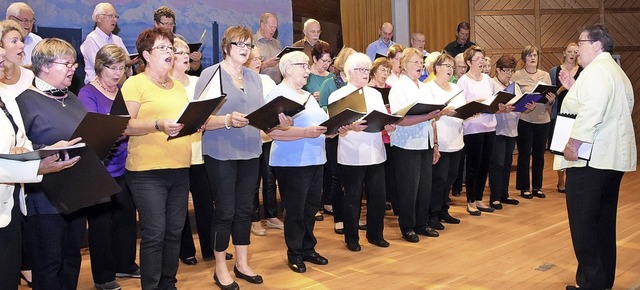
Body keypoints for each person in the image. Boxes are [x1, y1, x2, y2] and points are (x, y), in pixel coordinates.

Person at [194, 26, 290, 289]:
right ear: (226, 47)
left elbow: (261, 118)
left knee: (245, 210)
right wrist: (226, 120)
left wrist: (280, 121)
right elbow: (199, 120)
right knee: (224, 210)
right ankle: (220, 267)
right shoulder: (210, 74)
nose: (244, 49)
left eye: (248, 45)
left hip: (250, 150)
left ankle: (242, 263)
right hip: (220, 152)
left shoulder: (255, 77)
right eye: (239, 44)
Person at [555, 24, 635, 290]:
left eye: (581, 42)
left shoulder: (597, 71)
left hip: (590, 159)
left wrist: (574, 143)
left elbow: (593, 112)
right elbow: (609, 106)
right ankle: (600, 281)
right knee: (602, 222)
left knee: (583, 223)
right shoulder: (613, 71)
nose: (577, 49)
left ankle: (591, 283)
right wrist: (574, 87)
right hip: (609, 159)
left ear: (597, 44)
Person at [0, 33, 80, 290]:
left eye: (74, 64)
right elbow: (19, 148)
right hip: (43, 195)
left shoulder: (72, 98)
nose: (72, 69)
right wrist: (43, 152)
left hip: (76, 189)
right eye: (66, 64)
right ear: (45, 66)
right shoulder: (23, 100)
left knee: (71, 258)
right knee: (48, 263)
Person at [120, 27, 193, 290]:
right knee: (154, 233)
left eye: (170, 47)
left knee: (174, 232)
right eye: (163, 48)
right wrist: (158, 125)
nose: (170, 52)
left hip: (179, 168)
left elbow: (182, 121)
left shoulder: (177, 86)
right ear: (146, 55)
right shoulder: (134, 83)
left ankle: (168, 284)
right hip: (146, 171)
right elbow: (125, 126)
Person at [77, 44, 139, 290]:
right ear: (99, 67)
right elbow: (97, 130)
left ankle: (125, 263)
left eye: (121, 68)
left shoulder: (125, 91)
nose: (116, 73)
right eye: (111, 68)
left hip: (125, 163)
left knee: (125, 219)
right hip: (99, 167)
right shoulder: (87, 93)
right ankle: (103, 276)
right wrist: (125, 128)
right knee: (101, 224)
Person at [266, 51, 329, 273]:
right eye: (303, 65)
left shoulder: (308, 96)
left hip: (315, 159)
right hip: (291, 162)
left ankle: (308, 248)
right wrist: (305, 132)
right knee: (295, 210)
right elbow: (273, 131)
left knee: (311, 208)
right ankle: (294, 252)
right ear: (288, 68)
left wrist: (337, 128)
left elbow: (320, 126)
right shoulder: (278, 94)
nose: (308, 70)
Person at [329, 52, 393, 251]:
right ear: (349, 72)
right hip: (352, 153)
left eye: (367, 70)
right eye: (361, 70)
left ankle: (375, 235)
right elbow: (334, 128)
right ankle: (352, 238)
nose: (366, 73)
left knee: (378, 197)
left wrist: (388, 125)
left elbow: (381, 118)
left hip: (375, 152)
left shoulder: (374, 93)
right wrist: (349, 127)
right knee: (352, 199)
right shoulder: (338, 95)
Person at [165, 37, 215, 266]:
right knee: (179, 206)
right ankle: (185, 250)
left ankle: (210, 248)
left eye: (187, 52)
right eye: (179, 52)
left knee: (205, 203)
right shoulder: (164, 85)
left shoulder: (197, 82)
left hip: (199, 151)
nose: (185, 56)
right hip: (175, 152)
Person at [388, 47, 441, 243]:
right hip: (406, 144)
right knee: (409, 188)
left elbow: (433, 117)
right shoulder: (398, 89)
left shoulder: (425, 87)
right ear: (404, 66)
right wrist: (427, 115)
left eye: (421, 62)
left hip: (425, 141)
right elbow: (399, 120)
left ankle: (422, 223)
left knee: (425, 187)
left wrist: (435, 144)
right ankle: (408, 226)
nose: (420, 66)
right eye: (415, 63)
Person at [243, 46, 283, 237]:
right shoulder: (242, 80)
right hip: (250, 135)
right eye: (254, 58)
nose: (258, 62)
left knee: (269, 177)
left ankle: (272, 215)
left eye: (260, 58)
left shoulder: (266, 79)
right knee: (253, 180)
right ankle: (254, 219)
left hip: (267, 136)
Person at [424, 53, 465, 229]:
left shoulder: (456, 88)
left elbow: (462, 108)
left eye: (451, 66)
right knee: (438, 179)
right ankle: (432, 214)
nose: (450, 69)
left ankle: (443, 209)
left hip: (457, 138)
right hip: (440, 138)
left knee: (451, 177)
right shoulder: (429, 88)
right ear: (436, 68)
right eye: (446, 66)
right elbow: (428, 115)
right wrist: (443, 112)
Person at [456, 45, 496, 216]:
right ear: (468, 62)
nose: (482, 61)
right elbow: (460, 107)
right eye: (478, 59)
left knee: (485, 165)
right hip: (473, 128)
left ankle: (479, 198)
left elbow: (494, 99)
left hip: (489, 126)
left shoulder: (488, 79)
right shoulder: (463, 81)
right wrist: (477, 103)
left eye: (483, 58)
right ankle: (471, 200)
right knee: (473, 165)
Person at [488, 55, 531, 210]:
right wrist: (502, 108)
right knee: (497, 164)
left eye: (511, 71)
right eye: (505, 70)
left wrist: (527, 106)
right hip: (497, 129)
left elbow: (520, 103)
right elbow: (489, 108)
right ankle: (494, 197)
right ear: (498, 69)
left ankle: (504, 194)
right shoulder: (492, 84)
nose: (508, 74)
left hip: (512, 128)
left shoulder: (514, 85)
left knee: (507, 163)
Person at [318, 47, 354, 232]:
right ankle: (339, 218)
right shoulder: (329, 84)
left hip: (355, 135)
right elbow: (322, 107)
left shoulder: (359, 85)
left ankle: (352, 217)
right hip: (335, 134)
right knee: (337, 176)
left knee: (354, 179)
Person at [511, 45, 554, 199]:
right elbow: (514, 99)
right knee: (524, 154)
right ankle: (524, 187)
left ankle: (537, 187)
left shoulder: (545, 75)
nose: (533, 58)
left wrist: (551, 101)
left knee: (539, 155)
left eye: (535, 55)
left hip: (543, 119)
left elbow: (549, 102)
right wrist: (525, 105)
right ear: (524, 59)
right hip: (525, 119)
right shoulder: (516, 75)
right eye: (529, 55)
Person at [549, 43, 582, 193]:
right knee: (559, 148)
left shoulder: (583, 71)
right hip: (560, 113)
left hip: (576, 113)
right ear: (564, 52)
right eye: (569, 51)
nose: (572, 54)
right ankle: (560, 180)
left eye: (575, 52)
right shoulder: (554, 71)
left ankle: (572, 178)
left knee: (574, 146)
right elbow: (550, 94)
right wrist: (562, 88)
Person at [368, 57, 397, 213]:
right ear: (374, 71)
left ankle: (390, 197)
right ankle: (382, 199)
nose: (386, 73)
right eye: (383, 70)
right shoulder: (369, 90)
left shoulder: (391, 89)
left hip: (390, 133)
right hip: (376, 134)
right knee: (379, 169)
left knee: (391, 168)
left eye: (388, 70)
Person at [80, 2, 129, 84]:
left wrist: (130, 63)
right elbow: (100, 67)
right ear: (98, 18)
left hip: (118, 85)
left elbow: (126, 61)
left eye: (115, 17)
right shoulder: (91, 40)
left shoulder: (118, 40)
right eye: (110, 16)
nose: (114, 20)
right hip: (97, 87)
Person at [152, 6, 203, 76]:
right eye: (166, 24)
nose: (169, 27)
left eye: (171, 24)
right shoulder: (148, 41)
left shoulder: (181, 41)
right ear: (156, 24)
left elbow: (194, 67)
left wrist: (196, 59)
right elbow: (139, 69)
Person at [5, 2, 41, 67]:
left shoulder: (37, 40)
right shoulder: (2, 41)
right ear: (11, 19)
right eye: (25, 20)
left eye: (31, 21)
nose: (29, 24)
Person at [254, 13, 283, 83]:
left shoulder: (277, 43)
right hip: (260, 85)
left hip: (278, 85)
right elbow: (247, 68)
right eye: (271, 27)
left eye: (275, 28)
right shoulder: (252, 42)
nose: (273, 30)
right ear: (262, 25)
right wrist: (265, 65)